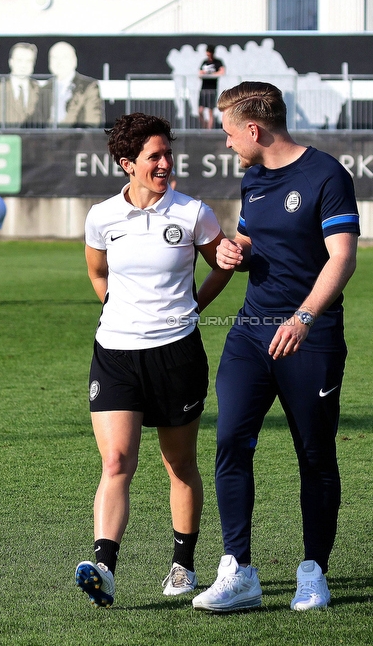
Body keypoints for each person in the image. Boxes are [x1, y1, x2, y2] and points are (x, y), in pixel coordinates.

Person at [191, 82, 359, 613]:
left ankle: (314, 571)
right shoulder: (254, 178)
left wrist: (304, 318)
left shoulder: (327, 175)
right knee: (231, 440)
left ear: (254, 129)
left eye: (227, 133)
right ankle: (238, 571)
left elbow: (342, 258)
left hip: (310, 336)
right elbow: (249, 239)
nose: (226, 144)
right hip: (249, 331)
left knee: (314, 454)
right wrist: (233, 252)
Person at [75, 113, 234, 608]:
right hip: (116, 354)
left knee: (179, 463)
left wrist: (192, 309)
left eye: (168, 154)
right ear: (128, 164)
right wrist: (116, 311)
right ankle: (104, 568)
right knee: (117, 461)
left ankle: (183, 565)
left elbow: (221, 266)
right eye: (154, 157)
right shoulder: (101, 217)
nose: (166, 164)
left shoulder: (193, 213)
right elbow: (98, 274)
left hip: (177, 355)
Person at [42, 42, 103, 128]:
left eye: (64, 57)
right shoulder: (45, 88)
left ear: (74, 61)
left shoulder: (89, 87)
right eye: (54, 58)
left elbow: (92, 126)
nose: (59, 62)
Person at [0, 42, 43, 128]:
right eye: (19, 60)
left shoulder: (38, 90)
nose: (23, 65)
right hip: (2, 140)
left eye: (28, 61)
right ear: (11, 62)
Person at [198, 45, 225, 129]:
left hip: (212, 89)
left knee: (210, 111)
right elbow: (200, 73)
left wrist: (211, 74)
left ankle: (209, 130)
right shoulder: (204, 62)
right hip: (203, 89)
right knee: (200, 111)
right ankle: (204, 126)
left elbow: (222, 72)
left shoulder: (218, 62)